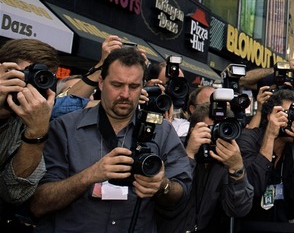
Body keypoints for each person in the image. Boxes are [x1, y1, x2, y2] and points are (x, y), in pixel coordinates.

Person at [30, 46, 192, 231]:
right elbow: (38, 203)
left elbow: (182, 193)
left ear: (143, 85)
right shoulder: (65, 128)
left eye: (133, 86)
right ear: (100, 82)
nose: (125, 94)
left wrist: (162, 185)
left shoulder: (162, 131)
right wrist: (89, 176)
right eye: (116, 85)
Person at [157, 103, 253, 232]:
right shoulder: (174, 148)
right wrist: (189, 155)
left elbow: (238, 210)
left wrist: (236, 169)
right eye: (209, 129)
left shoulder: (228, 160)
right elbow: (168, 200)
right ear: (192, 130)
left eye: (220, 130)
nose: (214, 136)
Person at [237, 89, 294, 223]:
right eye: (286, 114)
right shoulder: (248, 138)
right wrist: (270, 136)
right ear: (269, 116)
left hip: (283, 224)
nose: (292, 120)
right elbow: (253, 187)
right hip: (249, 223)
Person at [0, 39, 56, 222]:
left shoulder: (28, 120)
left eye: (40, 79)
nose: (31, 87)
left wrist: (36, 132)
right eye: (25, 76)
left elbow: (15, 193)